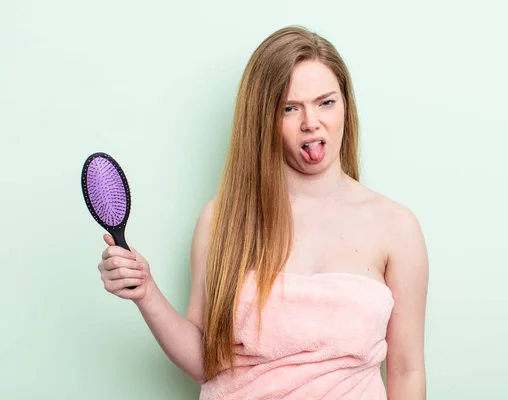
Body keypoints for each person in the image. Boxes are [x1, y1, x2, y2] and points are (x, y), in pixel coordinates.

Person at [97, 25, 429, 399]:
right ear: (263, 120)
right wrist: (146, 292)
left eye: (326, 102)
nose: (311, 122)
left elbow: (406, 370)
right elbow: (206, 362)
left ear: (346, 106)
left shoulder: (397, 227)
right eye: (290, 108)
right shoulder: (222, 220)